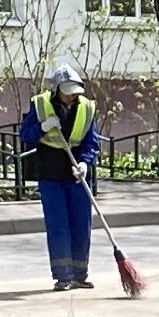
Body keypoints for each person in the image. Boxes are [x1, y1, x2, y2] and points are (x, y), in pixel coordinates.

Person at [19, 65, 100, 291]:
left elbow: (91, 142)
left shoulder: (87, 108)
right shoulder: (40, 105)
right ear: (56, 90)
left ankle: (80, 275)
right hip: (51, 173)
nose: (72, 96)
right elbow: (25, 134)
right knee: (59, 226)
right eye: (67, 92)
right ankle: (63, 276)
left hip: (77, 174)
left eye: (75, 92)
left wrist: (85, 162)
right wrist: (43, 127)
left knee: (81, 225)